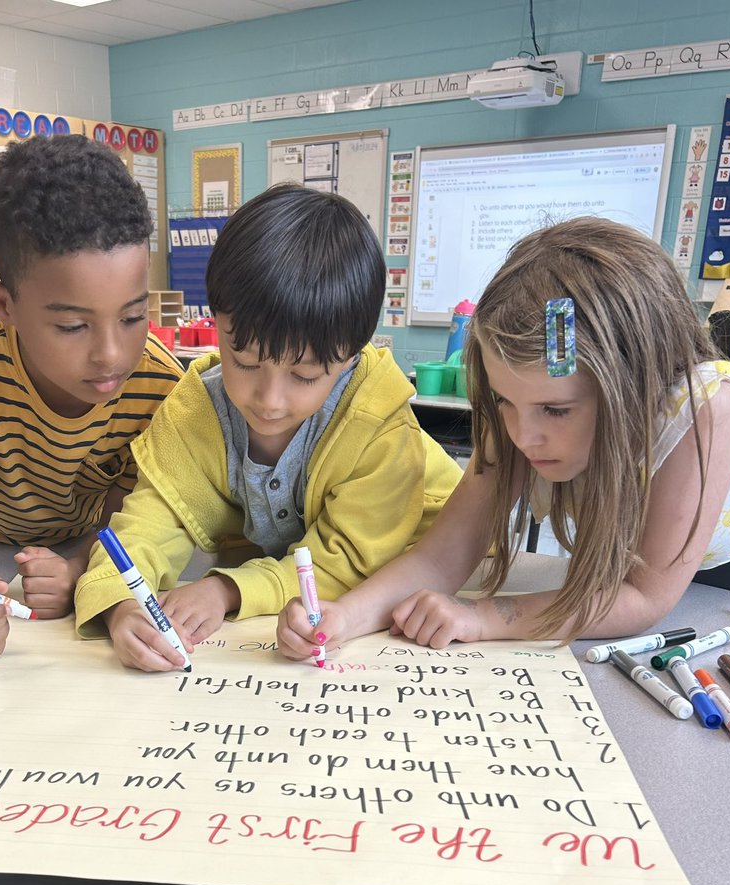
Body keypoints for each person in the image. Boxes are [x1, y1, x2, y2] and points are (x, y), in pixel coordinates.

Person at [278, 216, 730, 660]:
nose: (523, 435)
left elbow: (642, 595)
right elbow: (441, 558)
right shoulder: (525, 408)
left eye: (557, 409)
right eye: (505, 400)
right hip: (684, 567)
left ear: (632, 385)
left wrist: (485, 617)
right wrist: (344, 617)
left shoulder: (710, 409)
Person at [75, 182, 464, 671]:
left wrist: (227, 588)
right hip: (302, 591)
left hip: (426, 571)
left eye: (304, 376)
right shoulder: (195, 412)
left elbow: (352, 562)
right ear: (217, 322)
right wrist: (121, 603)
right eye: (243, 361)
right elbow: (150, 524)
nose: (270, 400)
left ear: (349, 359)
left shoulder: (378, 424)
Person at [0, 135, 183, 659]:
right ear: (3, 302)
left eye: (134, 315)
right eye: (73, 325)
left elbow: (125, 527)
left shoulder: (159, 385)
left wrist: (76, 571)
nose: (112, 354)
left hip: (83, 545)